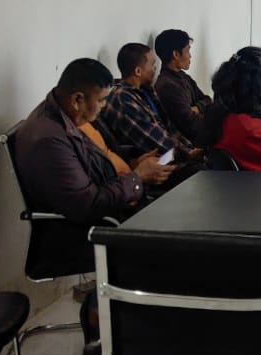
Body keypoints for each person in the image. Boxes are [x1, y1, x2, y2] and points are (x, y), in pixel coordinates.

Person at [14, 58, 172, 226]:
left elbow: (101, 153)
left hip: (120, 200)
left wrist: (134, 159)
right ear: (77, 100)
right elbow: (86, 204)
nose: (104, 105)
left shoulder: (68, 114)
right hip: (98, 227)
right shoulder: (49, 141)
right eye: (101, 100)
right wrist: (138, 178)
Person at [101, 42, 198, 163]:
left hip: (174, 156)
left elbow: (169, 129)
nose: (155, 69)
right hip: (156, 164)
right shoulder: (123, 100)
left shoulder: (145, 91)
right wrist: (188, 154)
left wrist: (190, 148)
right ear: (138, 71)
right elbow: (155, 141)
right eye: (152, 65)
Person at [153, 29, 211, 147]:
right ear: (176, 54)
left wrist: (196, 108)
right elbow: (192, 124)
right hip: (191, 146)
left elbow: (208, 100)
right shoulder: (167, 86)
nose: (190, 56)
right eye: (188, 50)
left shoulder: (184, 77)